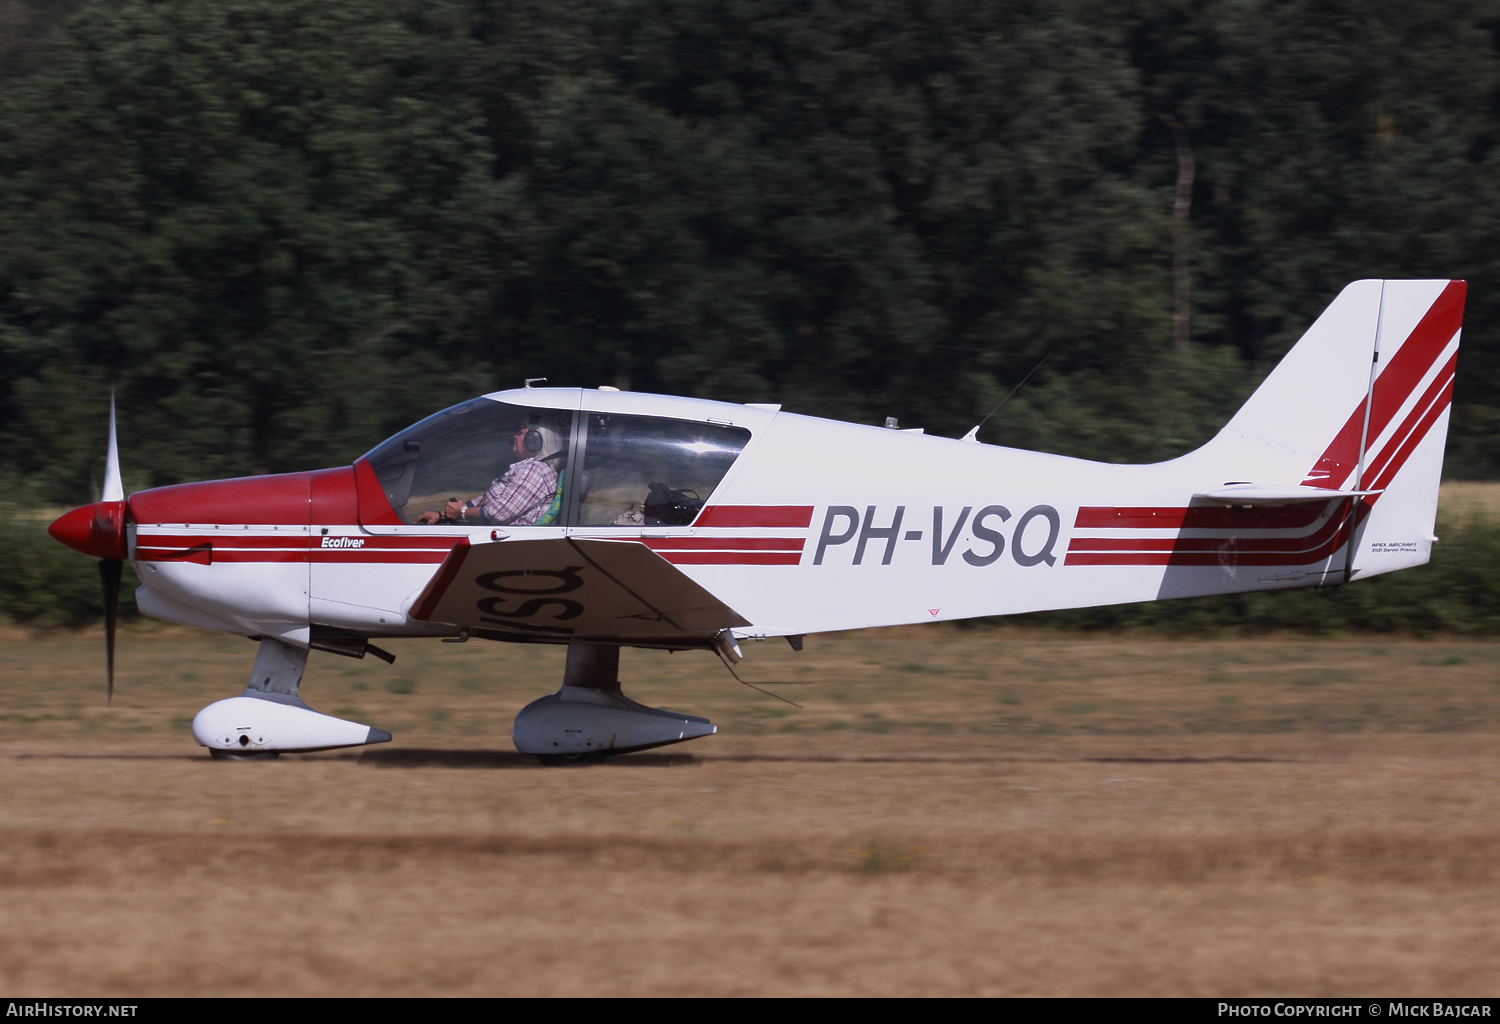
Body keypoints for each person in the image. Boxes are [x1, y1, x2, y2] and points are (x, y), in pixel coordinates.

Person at [416, 415, 563, 526]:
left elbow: (499, 513)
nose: (515, 436)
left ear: (535, 439)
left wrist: (461, 513)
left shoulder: (534, 470)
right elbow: (481, 501)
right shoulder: (529, 469)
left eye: (521, 432)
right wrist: (442, 514)